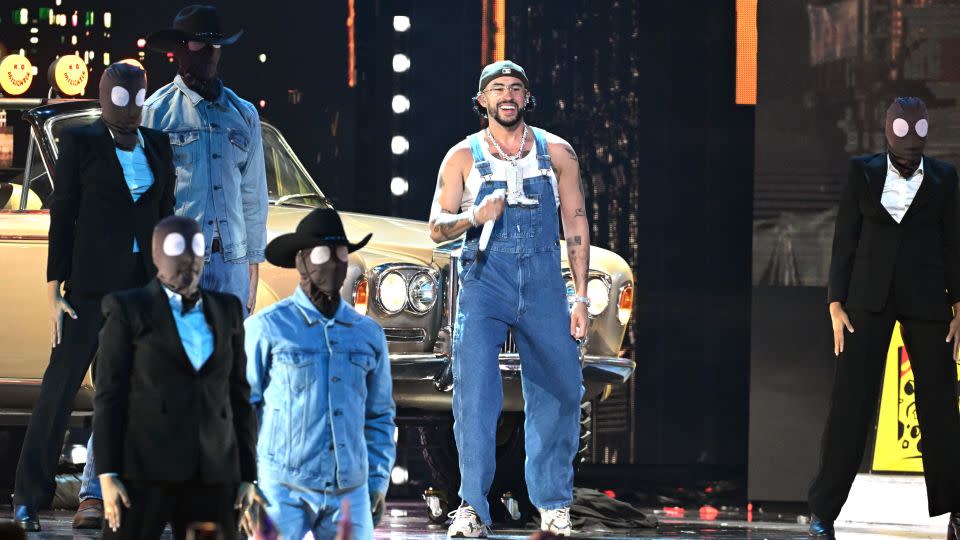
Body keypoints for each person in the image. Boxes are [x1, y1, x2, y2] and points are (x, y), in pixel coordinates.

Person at [427, 60, 589, 537]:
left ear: (527, 97)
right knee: (475, 393)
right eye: (497, 88)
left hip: (543, 282)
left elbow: (576, 222)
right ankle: (472, 506)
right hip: (485, 280)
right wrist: (474, 215)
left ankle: (554, 505)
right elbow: (436, 229)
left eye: (516, 87)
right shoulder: (461, 156)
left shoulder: (557, 152)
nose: (508, 95)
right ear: (482, 100)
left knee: (560, 388)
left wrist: (579, 297)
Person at [12, 62, 176, 531]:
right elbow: (62, 218)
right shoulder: (81, 143)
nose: (129, 109)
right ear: (104, 98)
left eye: (137, 99)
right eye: (120, 99)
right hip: (87, 289)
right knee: (58, 391)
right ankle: (28, 497)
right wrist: (52, 289)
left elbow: (165, 218)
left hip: (141, 289)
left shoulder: (158, 146)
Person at [808, 97, 960, 540]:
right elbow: (845, 240)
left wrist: (958, 303)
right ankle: (824, 511)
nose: (909, 141)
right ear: (887, 130)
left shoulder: (945, 179)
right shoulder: (863, 172)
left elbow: (953, 244)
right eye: (902, 130)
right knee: (850, 405)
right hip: (866, 303)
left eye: (917, 132)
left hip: (928, 301)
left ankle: (956, 509)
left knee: (940, 406)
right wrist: (836, 302)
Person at [94, 216, 264, 539]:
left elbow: (239, 397)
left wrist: (247, 475)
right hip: (146, 470)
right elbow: (109, 396)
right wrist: (107, 473)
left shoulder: (226, 310)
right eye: (176, 247)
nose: (188, 258)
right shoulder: (129, 309)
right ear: (157, 255)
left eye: (197, 248)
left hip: (212, 471)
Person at [245, 208, 395, 540]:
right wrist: (245, 480)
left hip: (350, 488)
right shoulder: (266, 328)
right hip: (282, 488)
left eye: (342, 255)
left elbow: (380, 414)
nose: (335, 264)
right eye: (324, 254)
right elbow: (239, 408)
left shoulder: (367, 334)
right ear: (301, 262)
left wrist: (377, 481)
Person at [142, 4, 268, 315]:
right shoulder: (155, 113)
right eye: (199, 44)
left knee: (227, 357)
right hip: (177, 261)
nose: (209, 53)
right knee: (178, 356)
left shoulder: (244, 114)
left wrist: (253, 261)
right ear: (180, 49)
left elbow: (253, 194)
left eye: (215, 45)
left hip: (231, 263)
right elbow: (143, 195)